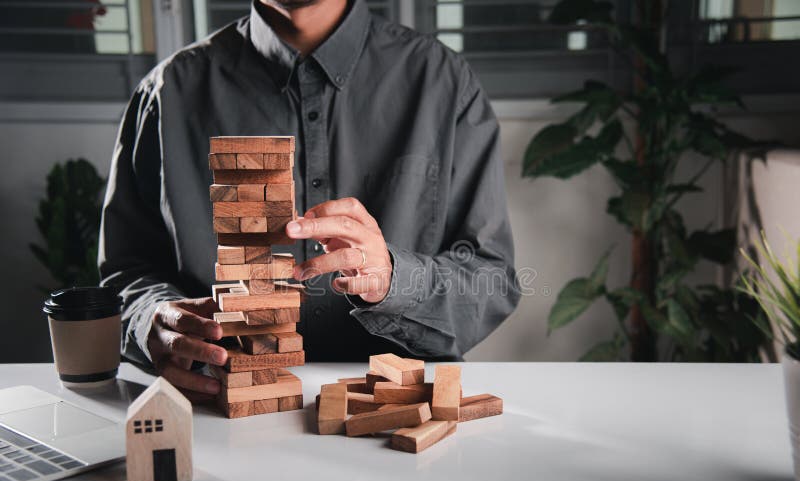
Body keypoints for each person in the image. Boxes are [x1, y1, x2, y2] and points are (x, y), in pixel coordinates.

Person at [99, 0, 519, 401]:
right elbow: (126, 274)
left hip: (398, 414)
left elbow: (492, 279)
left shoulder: (443, 81)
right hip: (217, 411)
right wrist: (148, 320)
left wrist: (394, 279)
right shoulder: (167, 93)